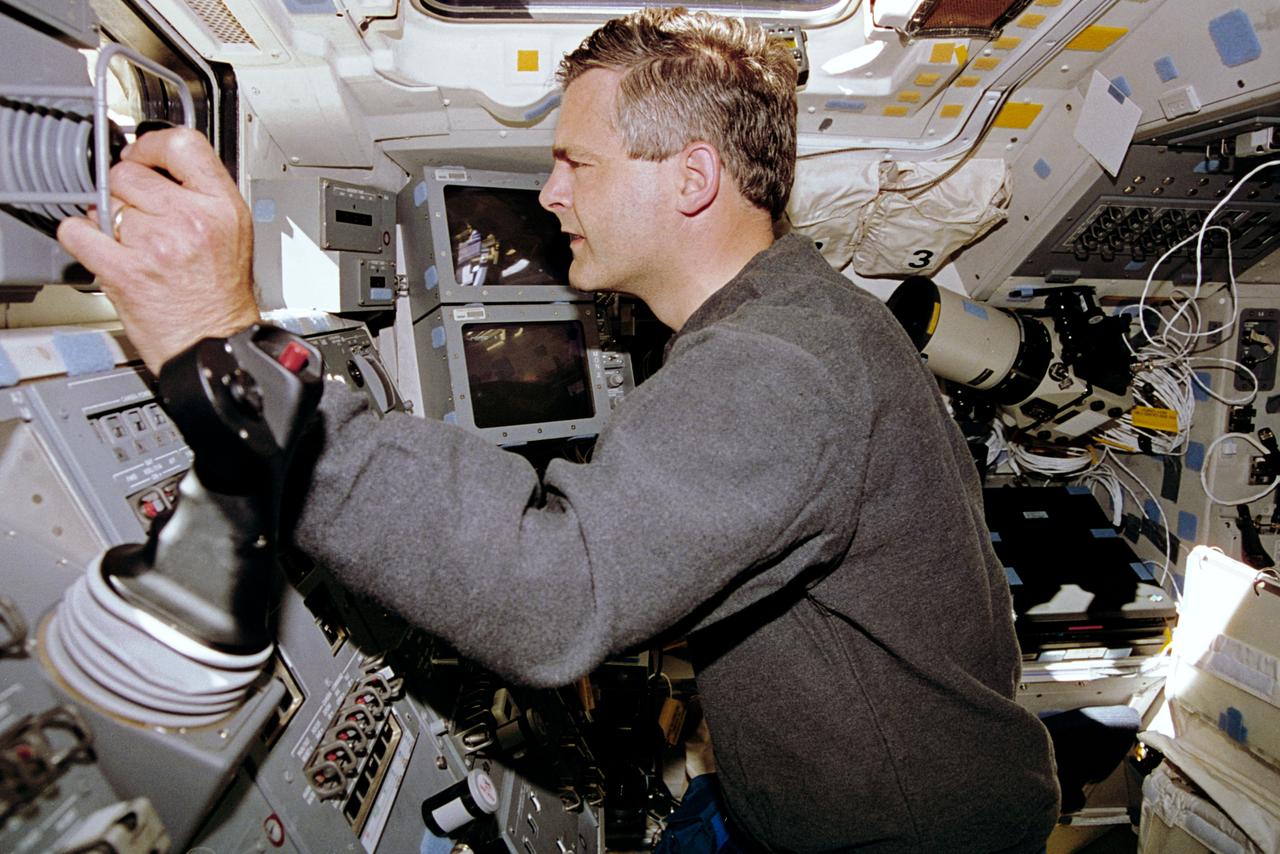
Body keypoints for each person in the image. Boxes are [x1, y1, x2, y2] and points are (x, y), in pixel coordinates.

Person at [58, 8, 1059, 851]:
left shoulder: (777, 363)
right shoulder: (783, 319)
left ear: (691, 178)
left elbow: (553, 593)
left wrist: (233, 356)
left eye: (574, 161)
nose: (549, 194)